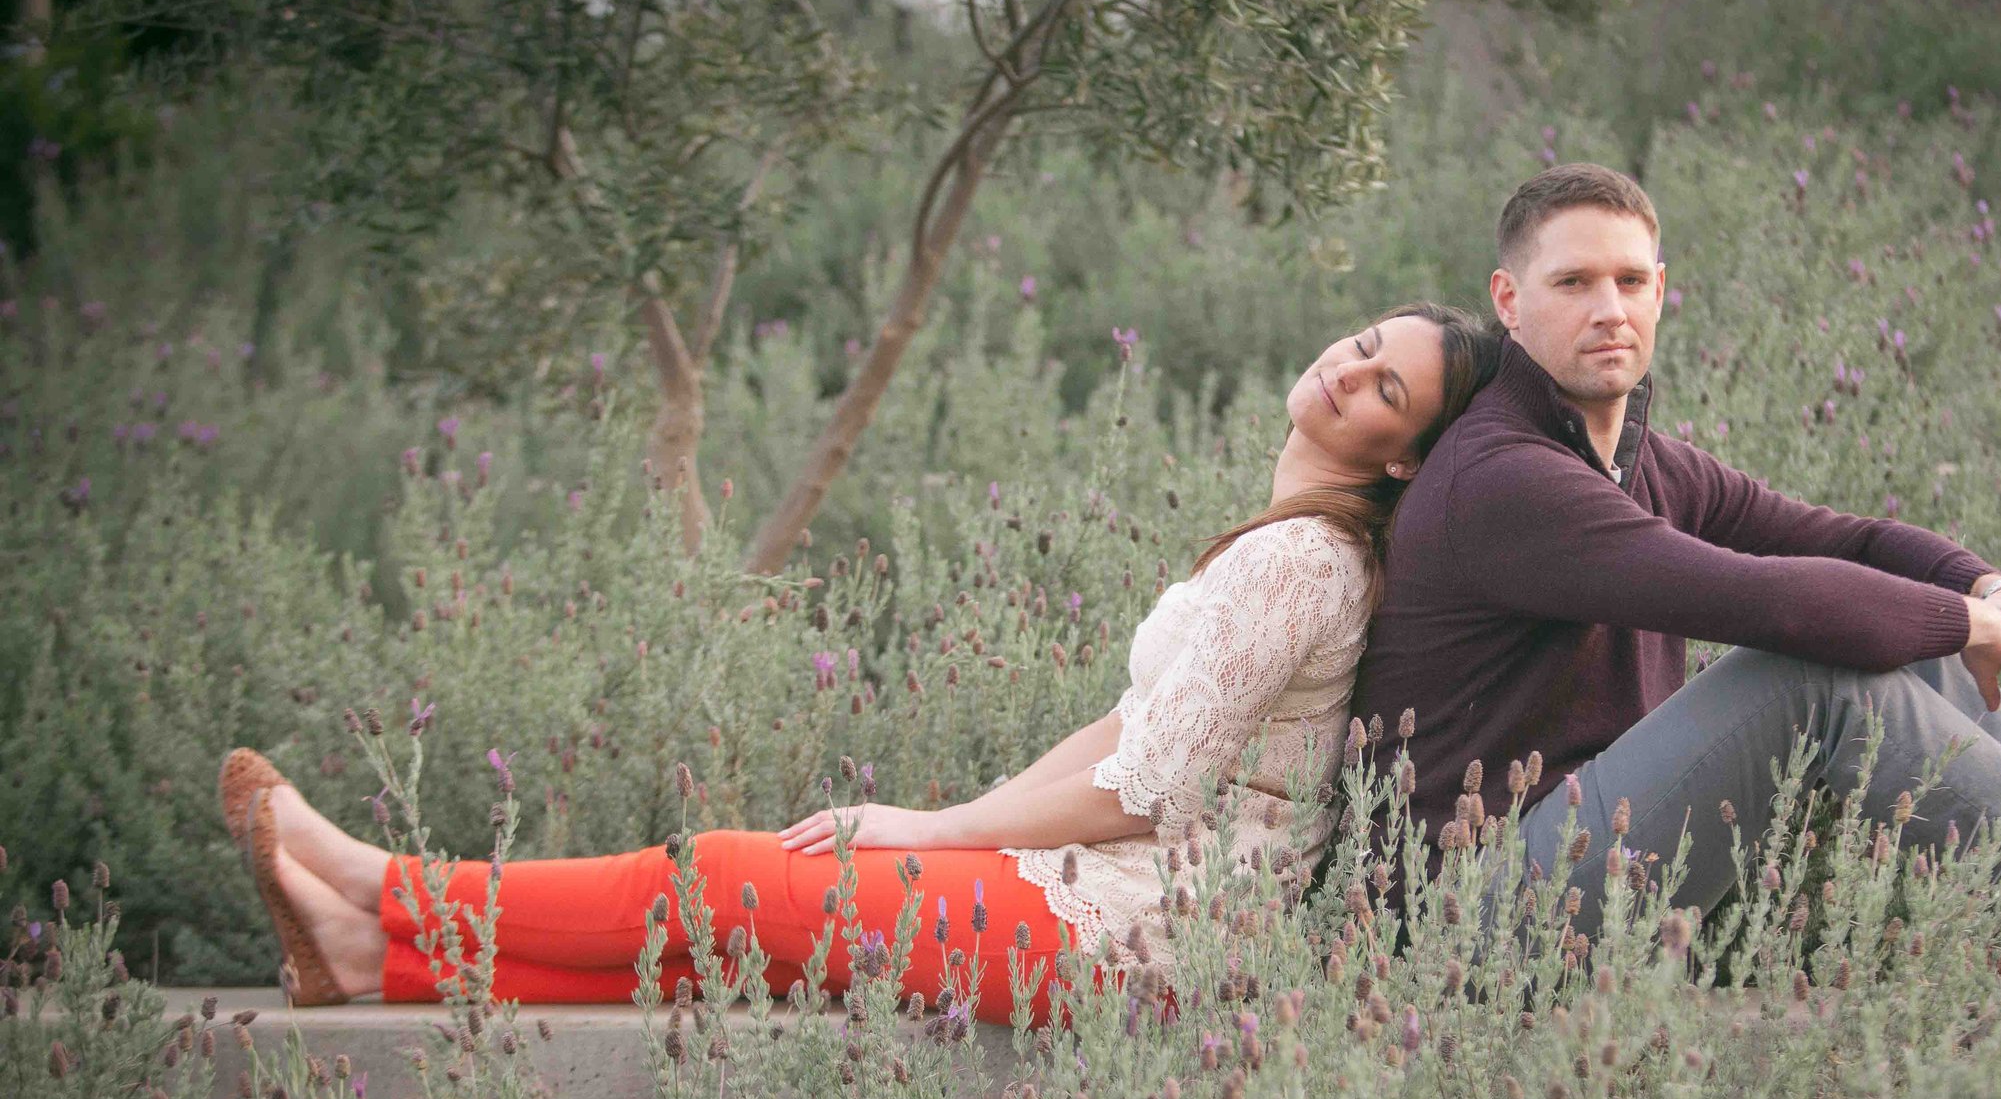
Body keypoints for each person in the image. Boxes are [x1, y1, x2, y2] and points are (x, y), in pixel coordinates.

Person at [226, 303, 1506, 1022]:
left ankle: (384, 885)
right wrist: (970, 828)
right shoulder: (1289, 545)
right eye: (1360, 345)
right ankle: (372, 961)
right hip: (1118, 893)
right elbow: (1133, 730)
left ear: (1403, 456)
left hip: (1148, 933)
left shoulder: (1301, 561)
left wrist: (931, 828)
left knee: (723, 880)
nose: (1349, 372)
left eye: (1386, 389)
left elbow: (1147, 789)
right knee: (746, 948)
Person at [1347, 164, 2001, 1004]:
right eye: (1573, 283)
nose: (1608, 308)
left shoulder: (1633, 458)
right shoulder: (1505, 477)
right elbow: (1772, 602)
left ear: (1662, 291)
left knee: (1909, 643)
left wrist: (1999, 589)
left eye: (1629, 281)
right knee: (1815, 673)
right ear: (1509, 301)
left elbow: (1839, 537)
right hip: (1472, 922)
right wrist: (1970, 622)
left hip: (1579, 863)